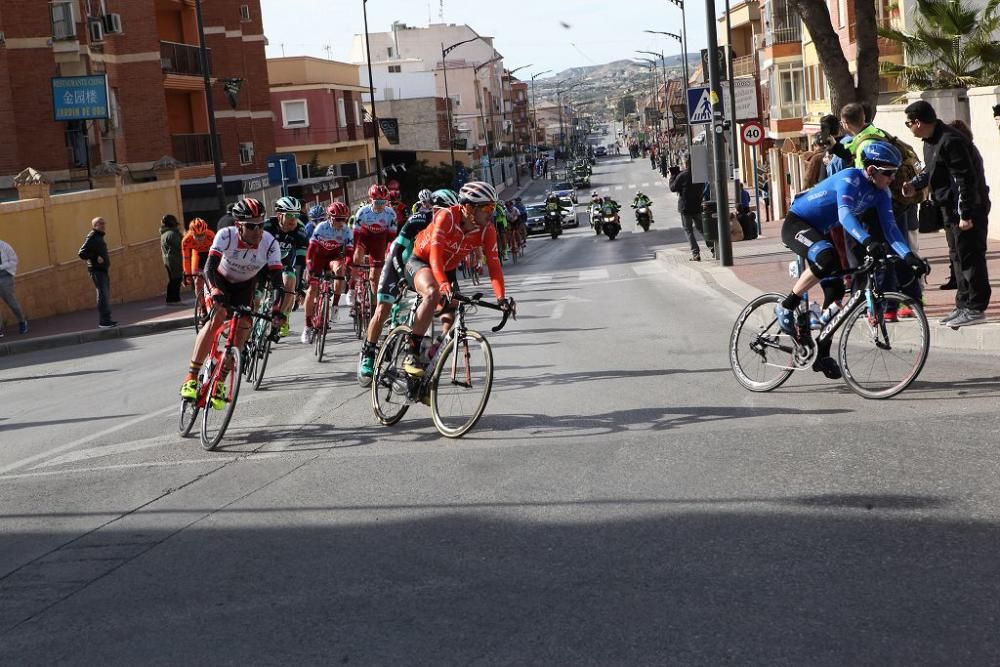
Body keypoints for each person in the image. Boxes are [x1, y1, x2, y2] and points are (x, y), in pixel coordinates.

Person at [776, 142, 927, 378]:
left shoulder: (882, 193)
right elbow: (845, 216)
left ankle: (821, 353)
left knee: (836, 290)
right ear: (871, 170)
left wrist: (909, 257)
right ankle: (786, 304)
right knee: (827, 260)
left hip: (821, 230)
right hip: (798, 223)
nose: (892, 178)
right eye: (888, 173)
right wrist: (868, 242)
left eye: (894, 173)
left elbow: (891, 230)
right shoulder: (850, 178)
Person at [179, 198, 284, 406]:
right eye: (251, 226)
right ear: (238, 226)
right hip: (220, 280)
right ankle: (191, 378)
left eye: (260, 225)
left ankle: (220, 380)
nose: (257, 231)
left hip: (244, 286)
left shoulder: (269, 243)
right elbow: (209, 268)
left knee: (244, 326)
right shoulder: (225, 235)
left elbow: (277, 282)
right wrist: (215, 290)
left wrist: (277, 308)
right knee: (217, 316)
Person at [401, 182, 512, 376]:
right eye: (487, 208)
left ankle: (426, 369)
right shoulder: (447, 217)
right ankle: (411, 350)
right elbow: (434, 256)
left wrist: (501, 299)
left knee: (450, 318)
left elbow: (494, 266)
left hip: (448, 270)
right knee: (433, 292)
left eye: (494, 208)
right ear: (469, 207)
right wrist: (443, 284)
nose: (491, 213)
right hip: (421, 261)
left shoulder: (487, 230)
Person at [902, 100, 992, 327]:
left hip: (966, 211)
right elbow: (931, 171)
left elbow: (965, 179)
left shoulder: (951, 140)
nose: (909, 127)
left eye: (908, 123)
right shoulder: (930, 141)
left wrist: (966, 213)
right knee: (957, 257)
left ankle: (976, 307)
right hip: (949, 211)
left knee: (970, 257)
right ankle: (963, 304)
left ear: (918, 122)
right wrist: (914, 184)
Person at [357, 189, 460, 383]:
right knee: (382, 309)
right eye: (445, 211)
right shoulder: (419, 219)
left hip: (423, 269)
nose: (449, 217)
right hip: (398, 263)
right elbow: (396, 251)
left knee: (448, 308)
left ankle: (425, 350)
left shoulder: (453, 228)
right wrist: (401, 278)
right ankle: (368, 353)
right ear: (434, 209)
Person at [301, 201, 354, 344]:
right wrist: (309, 266)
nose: (341, 222)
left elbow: (349, 252)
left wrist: (348, 265)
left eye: (344, 219)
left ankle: (335, 305)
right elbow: (310, 251)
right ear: (330, 218)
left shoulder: (346, 231)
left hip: (333, 258)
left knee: (340, 269)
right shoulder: (321, 228)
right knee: (312, 290)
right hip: (318, 258)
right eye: (338, 219)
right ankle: (307, 326)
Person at [263, 196, 309, 337]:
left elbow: (301, 260)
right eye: (289, 215)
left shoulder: (300, 230)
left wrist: (299, 287)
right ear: (279, 215)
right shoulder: (267, 227)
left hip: (283, 261)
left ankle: (281, 319)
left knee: (291, 281)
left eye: (296, 215)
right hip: (263, 262)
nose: (293, 219)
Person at [352, 184, 399, 304]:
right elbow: (355, 236)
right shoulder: (362, 212)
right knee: (357, 255)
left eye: (384, 202)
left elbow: (391, 238)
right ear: (370, 200)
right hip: (364, 238)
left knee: (373, 278)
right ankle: (352, 287)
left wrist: (389, 252)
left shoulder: (390, 214)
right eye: (377, 202)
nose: (381, 206)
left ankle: (377, 304)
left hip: (379, 242)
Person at [78, 217, 116, 328]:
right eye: (100, 224)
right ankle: (104, 322)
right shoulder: (92, 236)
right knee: (102, 295)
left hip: (102, 270)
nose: (103, 225)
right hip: (96, 270)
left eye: (104, 223)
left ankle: (107, 320)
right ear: (94, 226)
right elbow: (81, 253)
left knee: (105, 295)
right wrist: (95, 257)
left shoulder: (98, 237)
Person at [669, 158, 705, 261]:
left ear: (686, 163)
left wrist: (673, 176)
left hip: (685, 208)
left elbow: (672, 188)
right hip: (697, 206)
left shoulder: (682, 175)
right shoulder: (699, 175)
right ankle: (713, 247)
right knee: (702, 228)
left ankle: (695, 253)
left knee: (688, 230)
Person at [181, 218, 215, 320]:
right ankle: (203, 308)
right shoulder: (186, 240)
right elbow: (186, 258)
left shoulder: (211, 236)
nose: (200, 239)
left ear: (206, 232)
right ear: (191, 233)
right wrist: (187, 275)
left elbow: (218, 254)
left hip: (210, 254)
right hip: (197, 255)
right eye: (197, 236)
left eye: (202, 235)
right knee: (197, 281)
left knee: (214, 277)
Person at [0, 238, 27, 336]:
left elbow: (14, 260)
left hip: (5, 277)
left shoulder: (4, 246)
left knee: (11, 302)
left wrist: (1, 267)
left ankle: (22, 322)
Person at [160, 214, 184, 305]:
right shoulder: (172, 234)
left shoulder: (165, 233)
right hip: (174, 260)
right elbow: (180, 246)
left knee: (173, 280)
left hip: (169, 260)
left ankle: (171, 299)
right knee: (176, 280)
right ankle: (174, 299)